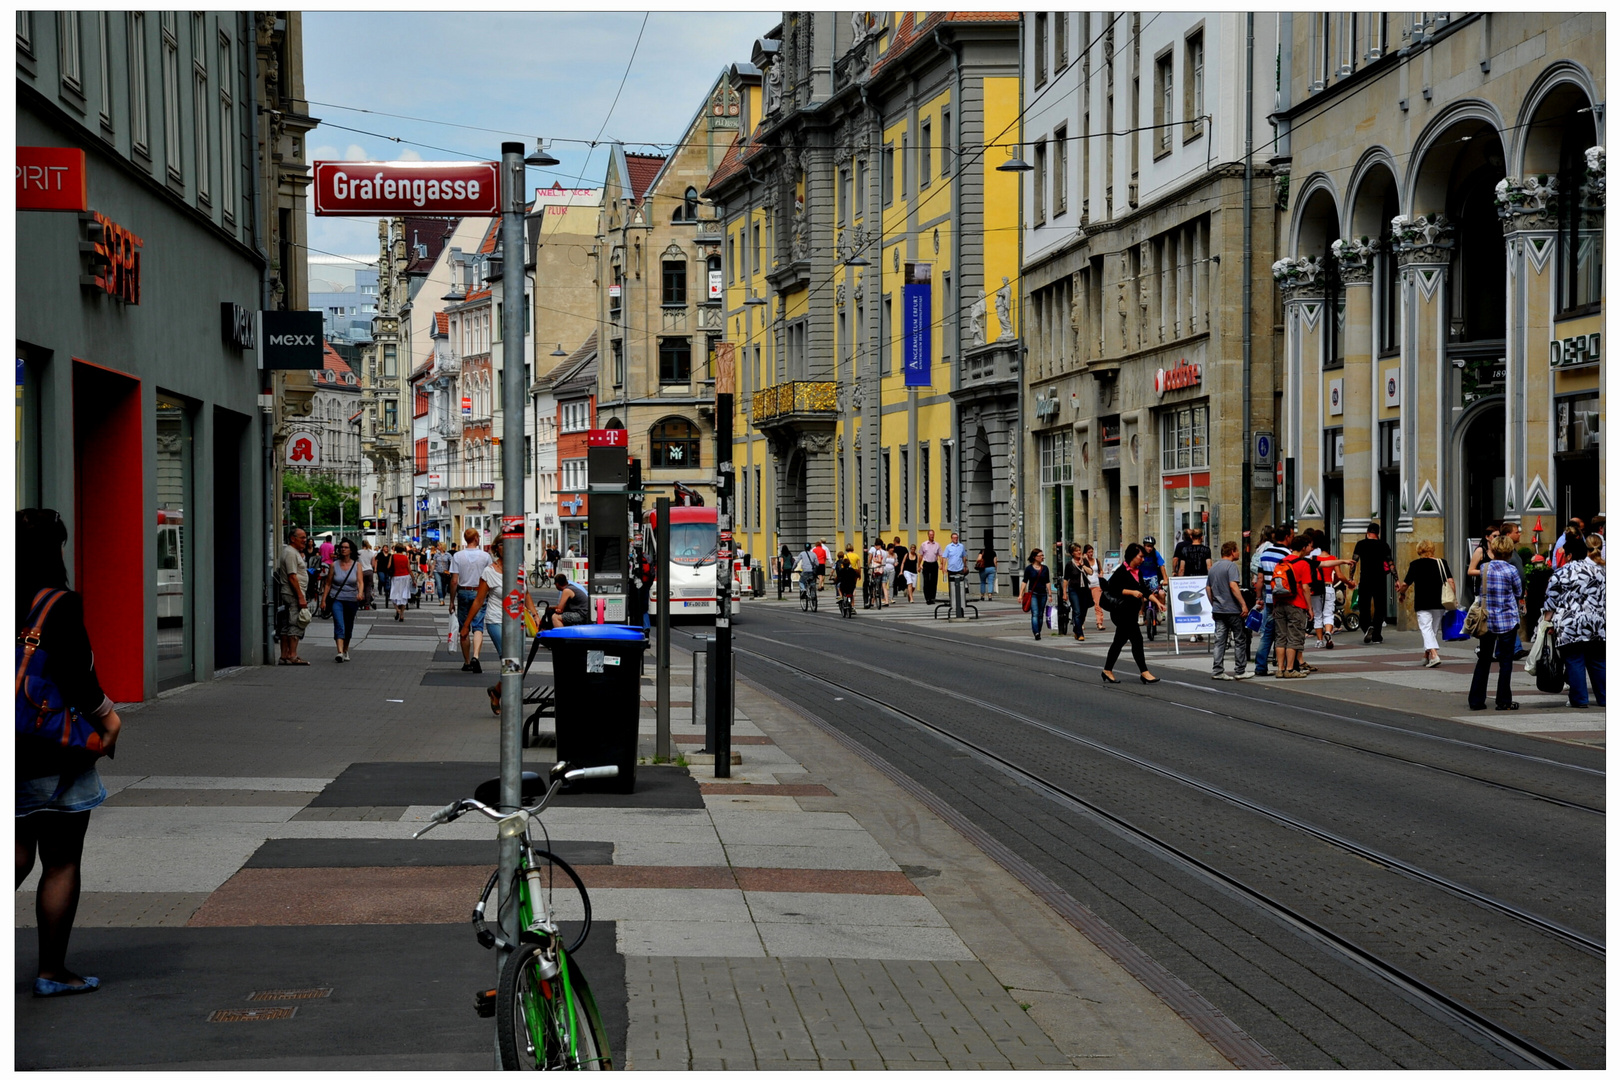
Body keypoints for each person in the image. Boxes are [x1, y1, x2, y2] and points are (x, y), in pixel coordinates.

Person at [16, 507, 124, 998]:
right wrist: (109, 719)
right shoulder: (57, 604)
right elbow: (79, 677)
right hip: (48, 747)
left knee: (15, 851)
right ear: (55, 549)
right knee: (59, 859)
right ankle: (52, 972)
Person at [470, 547, 542, 716]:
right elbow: (479, 600)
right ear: (497, 549)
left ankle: (496, 691)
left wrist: (535, 614)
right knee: (510, 661)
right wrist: (467, 625)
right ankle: (511, 702)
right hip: (496, 621)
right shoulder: (489, 572)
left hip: (518, 623)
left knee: (516, 664)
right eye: (503, 544)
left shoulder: (520, 569)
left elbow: (526, 594)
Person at [1541, 534, 1605, 708]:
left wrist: (1546, 622)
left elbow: (1551, 601)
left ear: (1568, 555)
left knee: (1574, 660)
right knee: (1598, 661)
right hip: (1597, 623)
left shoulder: (1562, 572)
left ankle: (1580, 699)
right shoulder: (1600, 571)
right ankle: (1605, 697)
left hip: (1570, 625)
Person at [1468, 535, 1524, 711]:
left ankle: (1476, 700)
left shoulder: (1484, 568)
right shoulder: (1511, 570)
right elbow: (1518, 592)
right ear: (1508, 551)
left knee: (1484, 659)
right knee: (1506, 661)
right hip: (1507, 619)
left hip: (1487, 619)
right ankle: (1503, 700)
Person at [1100, 543, 1163, 684]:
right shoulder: (1121, 571)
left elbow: (1145, 590)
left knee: (1119, 641)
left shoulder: (1138, 572)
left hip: (1131, 612)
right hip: (1121, 613)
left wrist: (1158, 602)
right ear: (1132, 556)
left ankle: (1107, 670)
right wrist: (1131, 592)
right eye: (1140, 556)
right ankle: (1144, 672)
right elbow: (1112, 589)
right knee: (1137, 640)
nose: (1143, 560)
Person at [1397, 540, 1454, 668]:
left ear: (1419, 550)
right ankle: (1426, 655)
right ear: (1432, 550)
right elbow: (1451, 581)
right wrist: (1453, 598)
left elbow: (1406, 584)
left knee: (1426, 628)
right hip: (1440, 601)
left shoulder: (1415, 564)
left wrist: (1401, 594)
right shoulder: (1441, 563)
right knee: (1432, 629)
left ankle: (1434, 655)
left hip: (1423, 601)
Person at [1272, 535, 1318, 678]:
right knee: (1294, 637)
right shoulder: (1303, 564)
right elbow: (1305, 588)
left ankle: (1280, 669)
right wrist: (1310, 608)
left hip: (1279, 603)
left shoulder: (1281, 562)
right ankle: (1290, 669)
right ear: (1303, 548)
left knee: (1280, 637)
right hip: (1296, 604)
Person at [1204, 540, 1252, 679]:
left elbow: (1208, 588)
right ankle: (1240, 670)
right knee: (1239, 639)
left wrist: (1213, 604)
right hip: (1232, 609)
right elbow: (1233, 586)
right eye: (1237, 550)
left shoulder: (1213, 567)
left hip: (1218, 610)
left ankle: (1217, 670)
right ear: (1232, 552)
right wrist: (1243, 604)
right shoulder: (1231, 566)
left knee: (1220, 640)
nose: (1238, 553)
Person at [448, 529, 492, 671]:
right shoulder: (485, 556)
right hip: (479, 593)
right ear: (476, 539)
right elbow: (490, 577)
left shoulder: (458, 556)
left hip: (463, 592)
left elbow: (454, 581)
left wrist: (451, 601)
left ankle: (467, 662)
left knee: (464, 627)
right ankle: (476, 656)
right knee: (478, 626)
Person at [1250, 525, 1290, 676]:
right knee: (1283, 632)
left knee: (1267, 632)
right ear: (1287, 537)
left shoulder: (1265, 553)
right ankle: (1286, 665)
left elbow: (1260, 579)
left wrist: (1258, 597)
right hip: (1283, 598)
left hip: (1268, 598)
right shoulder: (1287, 554)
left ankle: (1260, 665)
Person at [319, 537, 366, 662]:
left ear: (351, 550)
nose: (343, 549)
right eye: (341, 547)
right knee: (339, 624)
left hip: (352, 599)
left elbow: (360, 582)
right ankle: (339, 652)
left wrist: (360, 593)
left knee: (348, 625)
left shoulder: (357, 565)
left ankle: (345, 649)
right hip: (336, 598)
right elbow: (328, 584)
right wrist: (323, 600)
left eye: (346, 547)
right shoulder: (334, 565)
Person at [1349, 523, 1393, 643]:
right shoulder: (1384, 545)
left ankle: (1367, 627)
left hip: (1366, 580)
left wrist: (1351, 577)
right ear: (1377, 533)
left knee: (1364, 606)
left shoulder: (1361, 544)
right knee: (1380, 607)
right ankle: (1377, 635)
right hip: (1380, 580)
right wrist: (1397, 579)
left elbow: (1354, 562)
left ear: (1367, 532)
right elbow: (1390, 564)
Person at [275, 527, 312, 664]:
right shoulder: (291, 553)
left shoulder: (291, 552)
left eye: (305, 537)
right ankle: (293, 655)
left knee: (285, 625)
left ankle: (284, 655)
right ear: (293, 538)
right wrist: (301, 597)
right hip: (293, 594)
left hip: (289, 593)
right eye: (302, 537)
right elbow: (292, 576)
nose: (305, 540)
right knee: (296, 624)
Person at [1061, 545, 1089, 642]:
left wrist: (1083, 565)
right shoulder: (1069, 564)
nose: (1079, 552)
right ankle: (1080, 633)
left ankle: (1076, 628)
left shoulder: (1085, 561)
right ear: (1072, 553)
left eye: (1079, 550)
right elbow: (1065, 579)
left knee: (1083, 611)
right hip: (1074, 590)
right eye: (1076, 551)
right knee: (1077, 611)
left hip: (1084, 589)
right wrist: (1065, 593)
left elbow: (1091, 572)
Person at [1023, 549, 1051, 640]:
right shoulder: (1029, 569)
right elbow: (1024, 582)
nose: (1043, 557)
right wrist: (1020, 594)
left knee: (1040, 614)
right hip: (1033, 594)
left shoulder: (1045, 568)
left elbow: (1047, 581)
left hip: (1043, 594)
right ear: (1034, 557)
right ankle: (1036, 632)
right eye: (1041, 555)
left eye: (1043, 555)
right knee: (1035, 613)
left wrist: (1050, 594)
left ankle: (1038, 630)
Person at [386, 542, 414, 624]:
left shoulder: (393, 556)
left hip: (396, 577)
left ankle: (397, 610)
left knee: (394, 595)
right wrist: (413, 579)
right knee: (403, 596)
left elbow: (388, 566)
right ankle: (402, 615)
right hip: (405, 577)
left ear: (395, 549)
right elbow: (409, 569)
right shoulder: (405, 557)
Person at [1080, 545, 1105, 631]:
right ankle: (1081, 623)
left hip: (1096, 584)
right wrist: (1084, 559)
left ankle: (1099, 623)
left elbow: (1101, 570)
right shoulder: (1083, 561)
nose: (1091, 554)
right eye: (1089, 552)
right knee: (1084, 606)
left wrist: (1101, 573)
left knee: (1098, 605)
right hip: (1086, 585)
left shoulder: (1096, 561)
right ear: (1085, 553)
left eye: (1092, 552)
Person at [920, 530, 942, 604]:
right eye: (930, 535)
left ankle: (933, 597)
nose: (932, 536)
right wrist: (919, 564)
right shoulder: (924, 544)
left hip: (934, 563)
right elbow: (920, 555)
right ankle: (927, 598)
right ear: (928, 535)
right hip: (926, 563)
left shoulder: (937, 545)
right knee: (926, 581)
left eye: (933, 535)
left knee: (934, 581)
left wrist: (941, 564)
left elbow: (940, 555)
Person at [358, 541, 378, 611]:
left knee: (360, 587)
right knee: (368, 589)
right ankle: (367, 605)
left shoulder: (359, 552)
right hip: (369, 571)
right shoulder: (371, 553)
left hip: (361, 571)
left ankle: (360, 602)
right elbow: (372, 564)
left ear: (362, 545)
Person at [433, 542, 453, 608]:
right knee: (439, 586)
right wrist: (431, 573)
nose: (437, 546)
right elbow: (434, 564)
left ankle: (442, 597)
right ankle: (441, 600)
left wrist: (451, 571)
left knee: (444, 587)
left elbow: (452, 563)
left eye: (439, 545)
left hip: (445, 573)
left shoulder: (448, 555)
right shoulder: (436, 555)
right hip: (437, 571)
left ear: (442, 546)